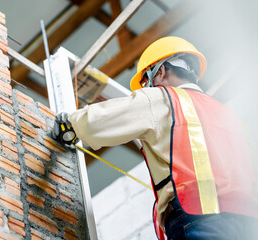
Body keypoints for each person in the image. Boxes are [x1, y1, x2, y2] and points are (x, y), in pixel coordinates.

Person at [52, 36, 258, 240]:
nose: (146, 88)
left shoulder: (163, 97)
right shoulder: (232, 118)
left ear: (160, 71)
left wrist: (71, 124)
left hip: (200, 220)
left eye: (145, 81)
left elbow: (100, 121)